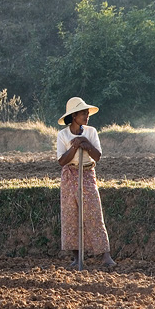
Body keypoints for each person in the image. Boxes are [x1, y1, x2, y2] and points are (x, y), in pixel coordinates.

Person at [56, 96, 116, 268]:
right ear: (74, 116)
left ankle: (105, 255)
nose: (86, 116)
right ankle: (77, 258)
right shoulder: (63, 135)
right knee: (71, 215)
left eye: (87, 113)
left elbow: (97, 156)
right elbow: (62, 161)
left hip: (88, 172)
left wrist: (85, 143)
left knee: (93, 211)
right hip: (70, 174)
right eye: (83, 113)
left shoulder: (91, 132)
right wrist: (74, 146)